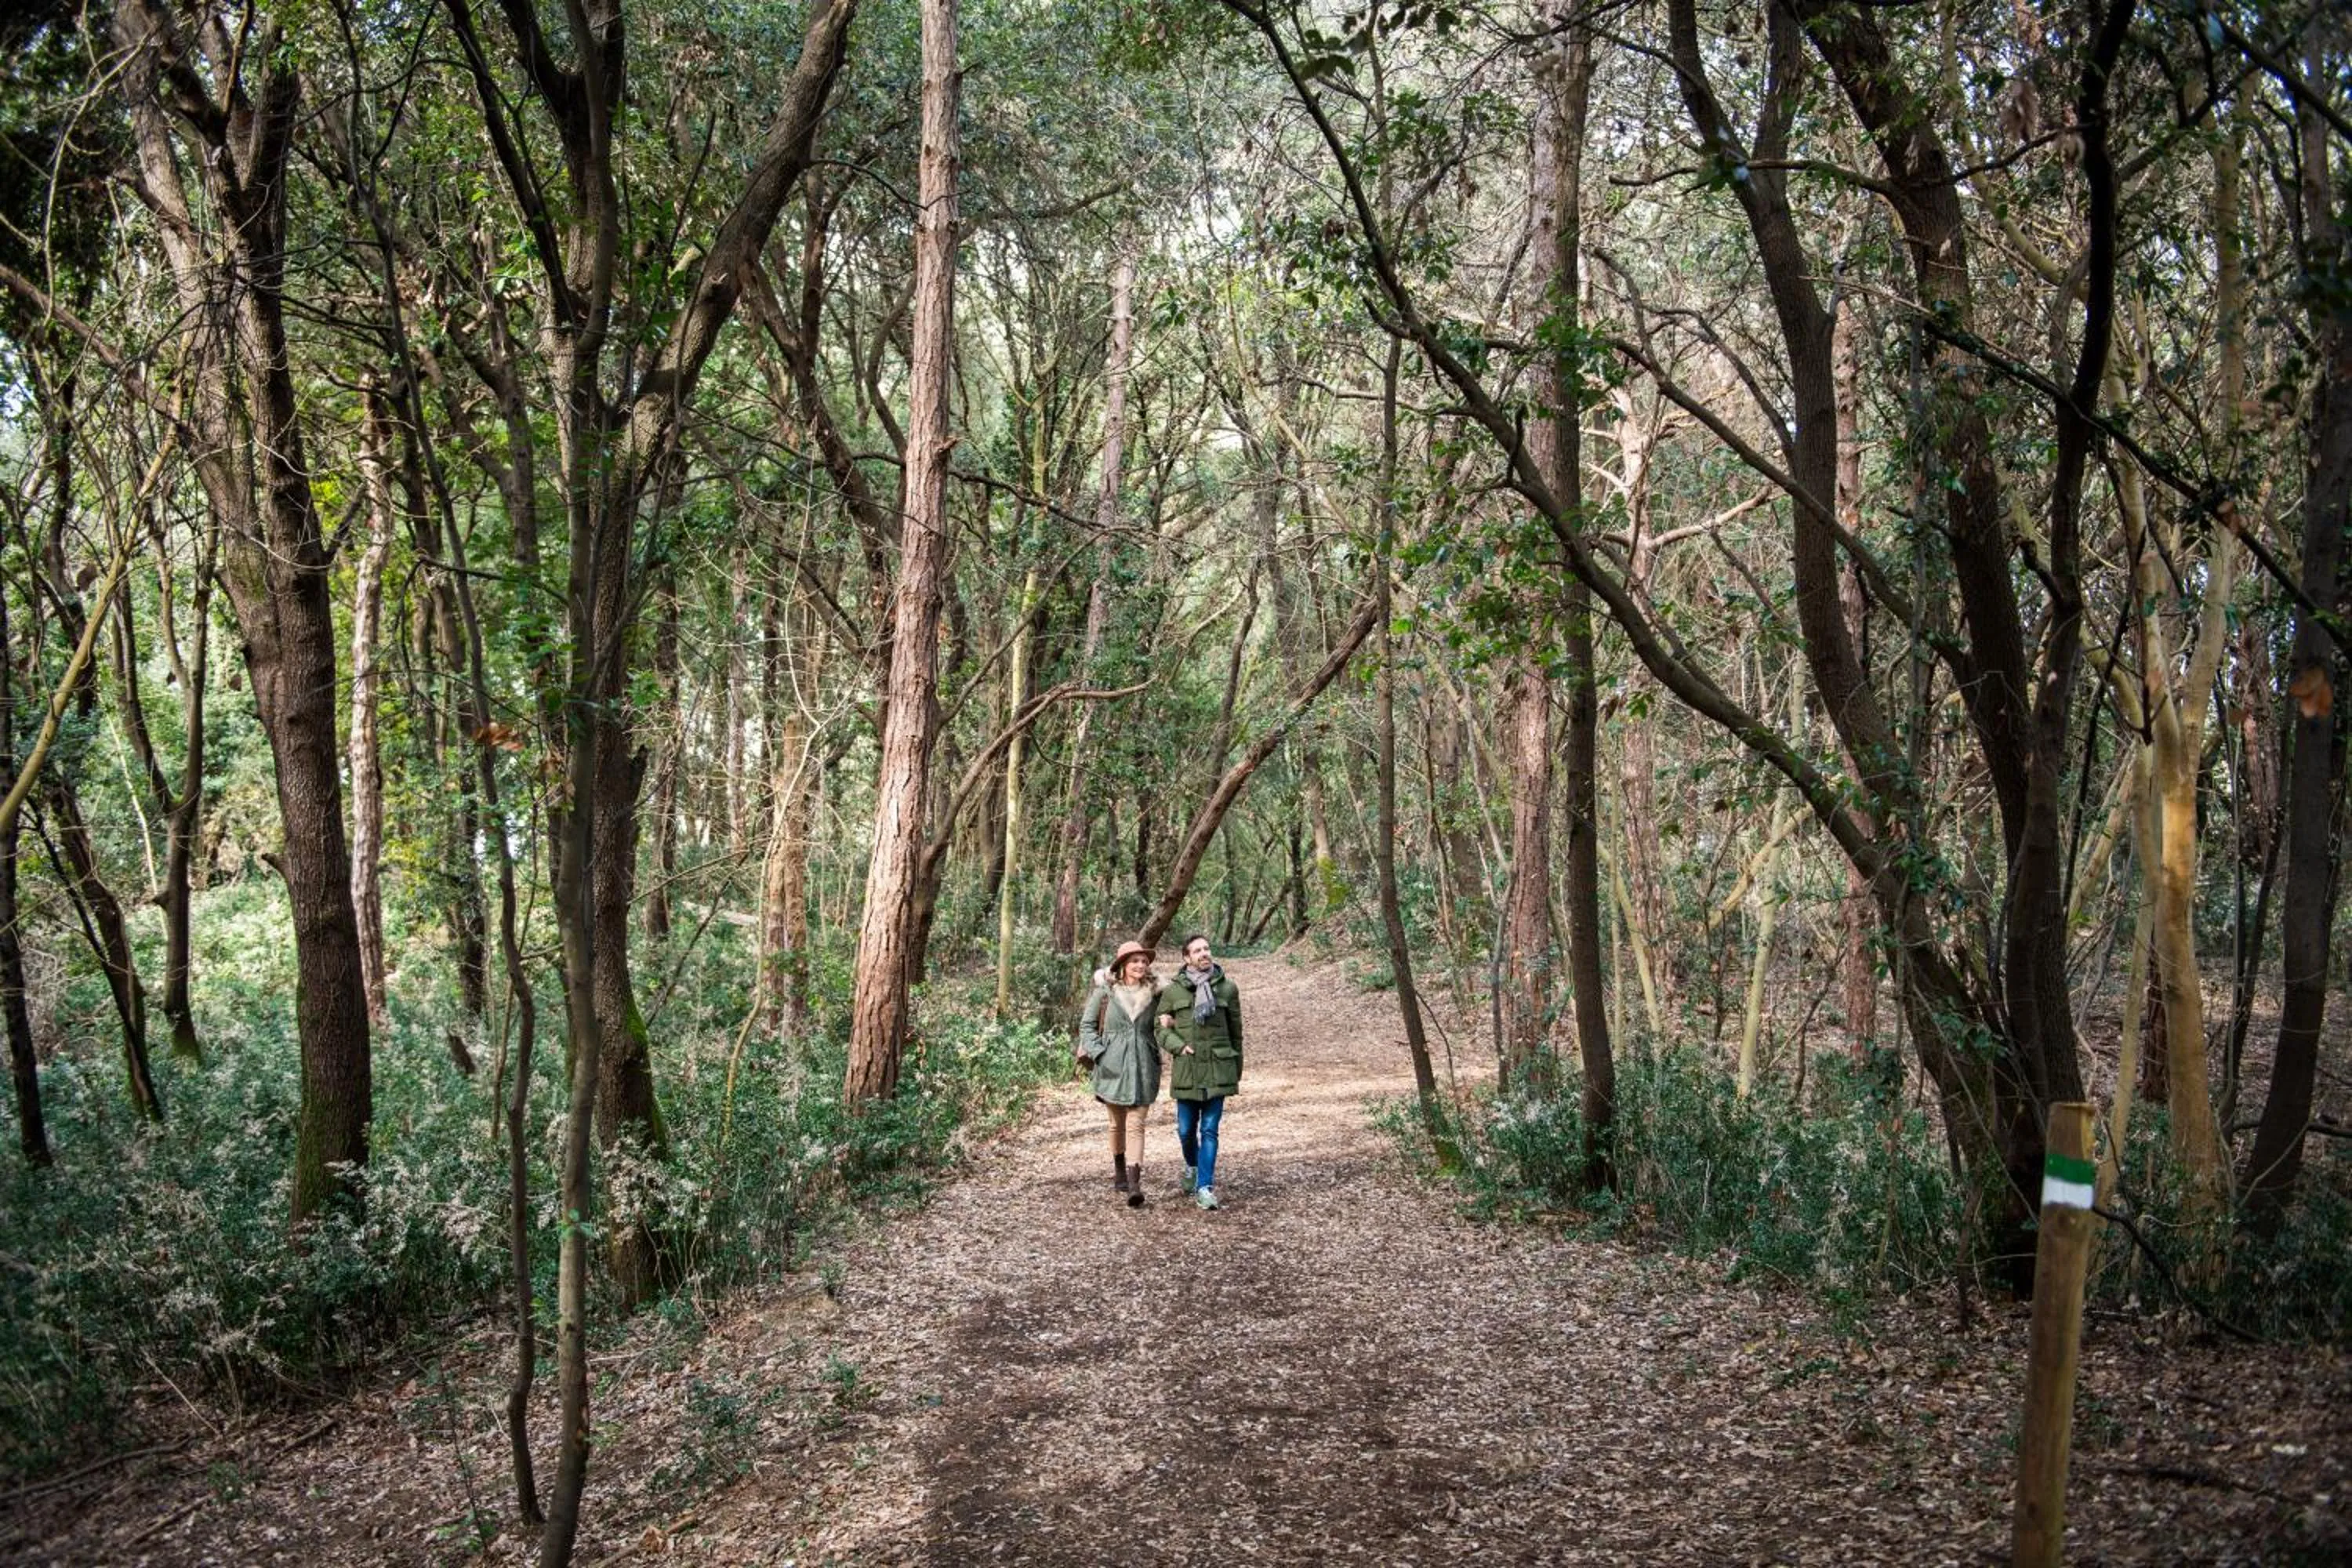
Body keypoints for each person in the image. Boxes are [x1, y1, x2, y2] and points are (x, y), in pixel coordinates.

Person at [1155, 933, 1241, 1211]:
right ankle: (1191, 1166)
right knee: (1184, 1130)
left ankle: (1205, 1187)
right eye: (1197, 950)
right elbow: (1160, 1028)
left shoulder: (1227, 988)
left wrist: (1235, 1070)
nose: (1204, 953)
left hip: (1218, 1069)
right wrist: (1178, 1047)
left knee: (1210, 1130)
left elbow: (1236, 1033)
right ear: (1186, 958)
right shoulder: (1173, 992)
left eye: (1207, 949)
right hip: (1188, 1071)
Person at [1076, 939, 1163, 1208]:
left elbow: (1171, 1018)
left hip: (1144, 1065)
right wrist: (1101, 1053)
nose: (1140, 965)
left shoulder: (1156, 993)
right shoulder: (1106, 993)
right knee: (1117, 1124)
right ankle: (1119, 1170)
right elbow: (1087, 1026)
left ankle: (1135, 1185)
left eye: (1144, 961)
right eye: (1134, 961)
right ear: (1123, 965)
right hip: (1112, 1066)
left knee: (1137, 1123)